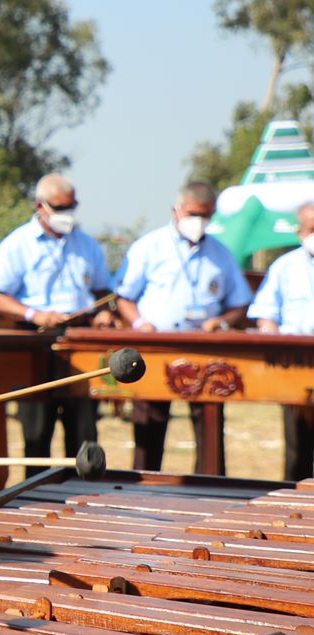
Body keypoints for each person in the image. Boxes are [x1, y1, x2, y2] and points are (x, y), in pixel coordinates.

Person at [117, 181, 252, 472]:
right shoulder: (148, 247)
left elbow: (240, 302)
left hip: (204, 348)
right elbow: (124, 297)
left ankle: (213, 490)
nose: (199, 222)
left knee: (209, 422)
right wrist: (140, 323)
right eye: (193, 214)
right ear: (176, 211)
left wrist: (223, 321)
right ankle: (141, 486)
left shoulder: (221, 253)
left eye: (206, 216)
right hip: (157, 345)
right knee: (150, 422)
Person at [0, 174, 116, 463]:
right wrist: (36, 314)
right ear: (40, 207)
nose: (65, 215)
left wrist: (104, 311)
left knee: (84, 435)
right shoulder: (18, 244)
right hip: (36, 342)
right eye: (59, 208)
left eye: (71, 207)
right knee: (36, 435)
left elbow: (102, 289)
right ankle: (35, 500)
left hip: (80, 343)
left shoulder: (87, 244)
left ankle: (83, 498)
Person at [249, 202, 314, 480]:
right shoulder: (284, 267)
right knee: (297, 447)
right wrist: (271, 332)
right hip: (296, 365)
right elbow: (264, 314)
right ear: (300, 231)